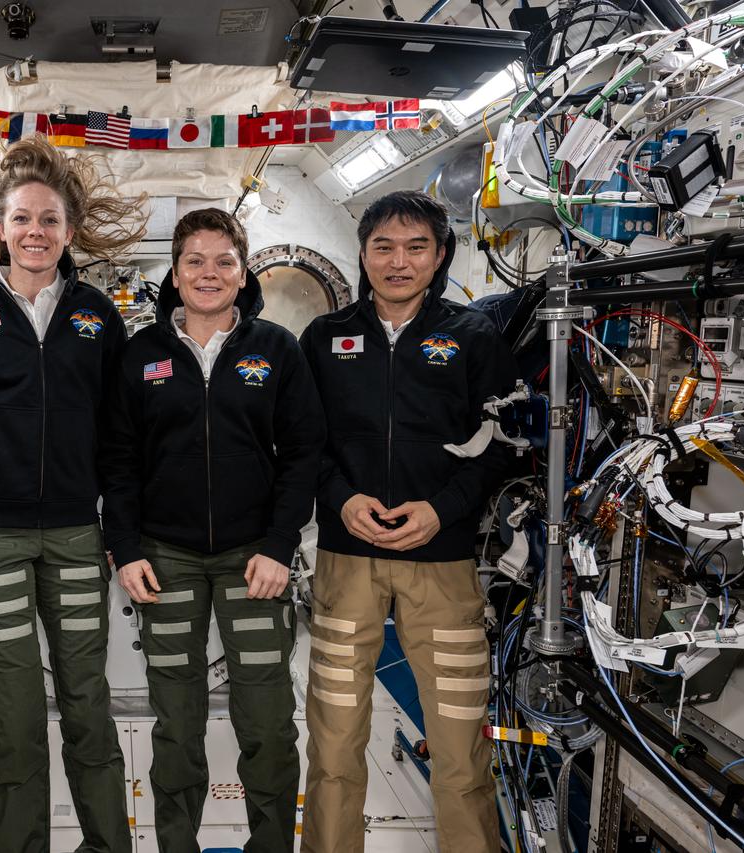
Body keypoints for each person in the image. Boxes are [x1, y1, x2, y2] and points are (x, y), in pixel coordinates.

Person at [0, 135, 146, 853]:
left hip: (78, 536)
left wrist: (122, 534)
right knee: (14, 714)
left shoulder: (96, 317)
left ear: (70, 230)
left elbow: (118, 438)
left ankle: (106, 844)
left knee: (89, 703)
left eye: (49, 220)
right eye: (21, 219)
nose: (35, 233)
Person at [101, 208, 324, 852]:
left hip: (253, 562)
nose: (209, 272)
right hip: (164, 560)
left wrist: (280, 546)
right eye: (194, 260)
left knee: (267, 721)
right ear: (174, 273)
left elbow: (302, 452)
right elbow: (116, 459)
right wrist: (126, 547)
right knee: (176, 720)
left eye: (224, 259)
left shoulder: (275, 348)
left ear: (243, 269)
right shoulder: (140, 354)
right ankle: (177, 845)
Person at [298, 190, 514, 853]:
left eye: (416, 246)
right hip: (347, 558)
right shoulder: (326, 338)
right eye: (384, 247)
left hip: (443, 563)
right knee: (334, 740)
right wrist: (342, 500)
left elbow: (501, 441)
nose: (399, 261)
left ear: (441, 254)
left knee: (458, 744)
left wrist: (441, 509)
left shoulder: (474, 336)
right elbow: (304, 444)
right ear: (362, 255)